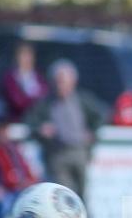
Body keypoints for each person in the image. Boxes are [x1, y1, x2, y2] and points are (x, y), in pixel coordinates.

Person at [25, 58, 106, 198]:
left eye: (64, 81)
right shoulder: (46, 102)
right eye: (58, 81)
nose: (60, 85)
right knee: (64, 194)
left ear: (72, 82)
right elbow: (30, 121)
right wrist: (41, 129)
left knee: (82, 194)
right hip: (58, 154)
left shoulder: (83, 99)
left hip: (80, 152)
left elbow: (101, 116)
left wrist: (92, 133)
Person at [0, 116, 39, 218]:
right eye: (1, 129)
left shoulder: (13, 148)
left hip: (19, 188)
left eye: (6, 129)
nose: (4, 133)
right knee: (4, 204)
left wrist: (31, 180)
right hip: (5, 189)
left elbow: (25, 168)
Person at [1, 42, 48, 122]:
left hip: (37, 121)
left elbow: (46, 96)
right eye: (23, 55)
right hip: (17, 121)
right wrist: (36, 101)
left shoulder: (39, 77)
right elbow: (18, 102)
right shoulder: (10, 78)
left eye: (28, 55)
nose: (25, 59)